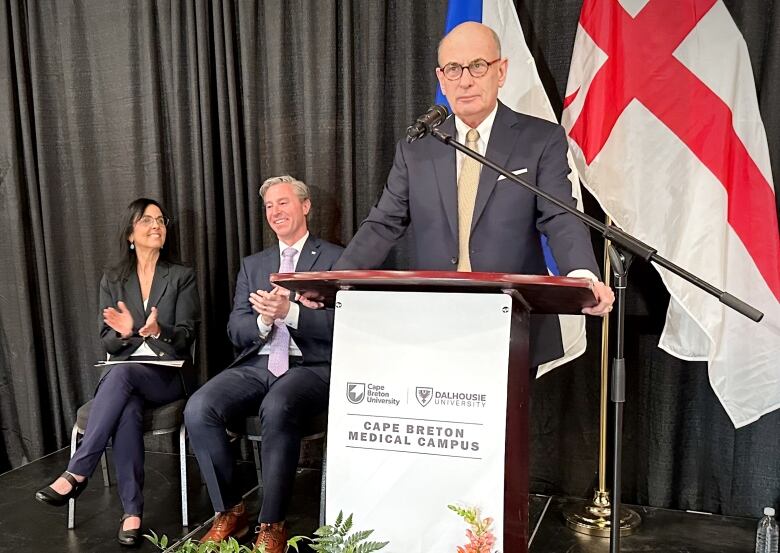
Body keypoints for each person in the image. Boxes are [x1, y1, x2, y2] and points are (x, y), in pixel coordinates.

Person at [333, 22, 614, 367]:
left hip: (513, 324)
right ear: (441, 78)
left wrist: (582, 276)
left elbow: (560, 215)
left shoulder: (539, 140)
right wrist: (333, 281)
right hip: (436, 327)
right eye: (453, 69)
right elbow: (383, 223)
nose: (465, 80)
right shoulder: (418, 148)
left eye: (477, 66)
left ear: (501, 71)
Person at [184, 175, 343, 553]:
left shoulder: (336, 258)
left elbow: (346, 325)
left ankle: (271, 522)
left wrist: (291, 313)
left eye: (283, 202)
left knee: (278, 405)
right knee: (199, 407)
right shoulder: (254, 265)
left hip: (312, 366)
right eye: (269, 206)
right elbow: (236, 328)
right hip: (257, 363)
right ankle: (230, 509)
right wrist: (264, 320)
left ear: (305, 207)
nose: (275, 212)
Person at [35, 198, 200, 546]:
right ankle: (132, 513)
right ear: (130, 233)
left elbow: (187, 335)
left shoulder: (182, 275)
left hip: (168, 376)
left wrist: (154, 330)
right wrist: (124, 333)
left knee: (121, 377)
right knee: (126, 405)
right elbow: (107, 342)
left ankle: (78, 470)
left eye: (160, 220)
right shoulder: (113, 278)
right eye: (147, 221)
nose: (157, 226)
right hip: (125, 379)